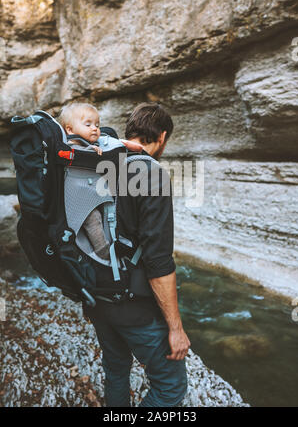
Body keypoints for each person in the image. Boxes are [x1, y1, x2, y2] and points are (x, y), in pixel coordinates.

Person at [83, 102, 190, 407]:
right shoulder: (152, 174)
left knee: (116, 370)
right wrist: (176, 329)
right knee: (170, 388)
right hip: (134, 308)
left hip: (96, 297)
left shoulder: (101, 164)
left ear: (130, 133)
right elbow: (158, 262)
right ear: (163, 137)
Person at [57, 102, 142, 261]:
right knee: (93, 220)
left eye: (97, 124)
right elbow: (71, 150)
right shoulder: (69, 145)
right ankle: (103, 251)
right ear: (69, 129)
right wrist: (91, 149)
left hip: (89, 191)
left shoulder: (93, 142)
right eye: (88, 124)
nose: (95, 128)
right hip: (78, 198)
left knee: (104, 215)